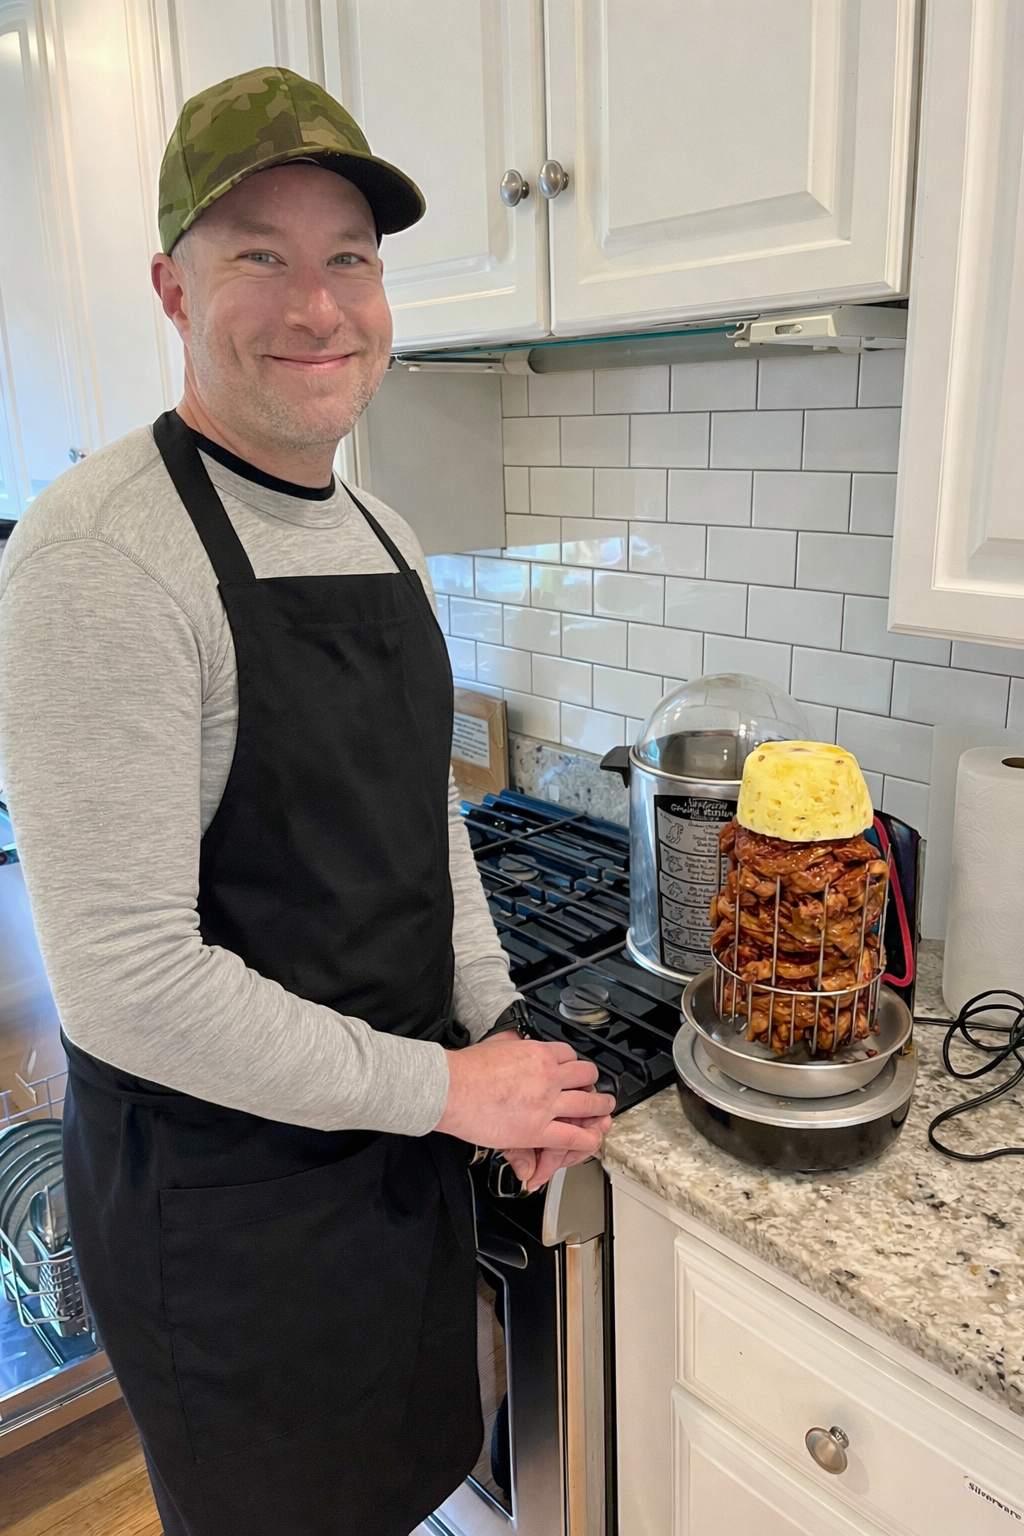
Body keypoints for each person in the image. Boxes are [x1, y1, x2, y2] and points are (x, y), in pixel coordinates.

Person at [0, 68, 614, 1536]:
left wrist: (491, 1026)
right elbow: (127, 988)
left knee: (399, 1492)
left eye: (348, 259)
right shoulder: (100, 557)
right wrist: (453, 1091)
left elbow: (425, 831)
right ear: (171, 286)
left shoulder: (386, 534)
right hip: (226, 1217)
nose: (316, 306)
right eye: (258, 256)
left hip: (384, 1181)